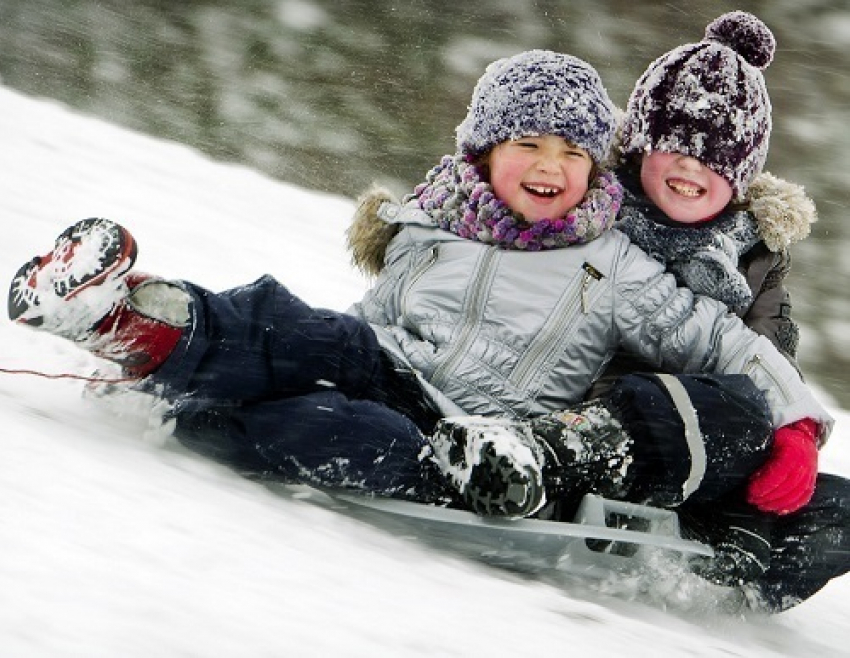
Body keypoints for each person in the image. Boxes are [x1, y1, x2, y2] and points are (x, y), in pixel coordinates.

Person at [7, 47, 834, 608]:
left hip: (473, 428)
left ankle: (229, 417)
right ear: (480, 153)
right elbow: (369, 320)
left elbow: (734, 349)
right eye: (527, 144)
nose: (550, 167)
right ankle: (128, 317)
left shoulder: (616, 261)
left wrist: (796, 425)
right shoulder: (435, 220)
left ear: (596, 166)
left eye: (572, 153)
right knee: (294, 327)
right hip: (386, 359)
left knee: (345, 429)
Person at [426, 12, 850, 613]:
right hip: (574, 406)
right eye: (673, 147)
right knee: (688, 405)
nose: (689, 169)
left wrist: (787, 443)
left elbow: (766, 360)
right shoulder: (591, 206)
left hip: (699, 440)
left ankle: (722, 578)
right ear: (640, 144)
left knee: (834, 506)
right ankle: (538, 465)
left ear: (743, 177)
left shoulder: (753, 259)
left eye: (716, 159)